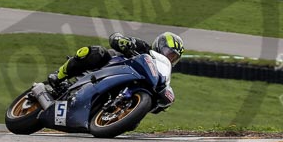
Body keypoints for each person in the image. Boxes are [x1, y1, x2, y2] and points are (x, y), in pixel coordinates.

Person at [47, 32, 184, 103]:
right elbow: (115, 37)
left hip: (128, 85)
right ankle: (59, 75)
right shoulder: (143, 47)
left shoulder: (161, 76)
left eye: (174, 57)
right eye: (169, 53)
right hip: (110, 66)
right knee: (96, 52)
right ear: (159, 45)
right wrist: (123, 42)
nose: (170, 58)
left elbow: (160, 104)